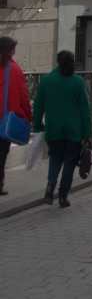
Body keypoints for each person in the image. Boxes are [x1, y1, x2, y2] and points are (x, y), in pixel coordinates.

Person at [33, 50, 92, 209]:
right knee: (70, 162)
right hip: (74, 130)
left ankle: (50, 186)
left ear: (57, 62)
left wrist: (38, 125)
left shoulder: (46, 80)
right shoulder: (77, 81)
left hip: (53, 128)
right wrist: (88, 133)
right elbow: (85, 110)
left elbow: (38, 106)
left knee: (55, 158)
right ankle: (63, 196)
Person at [0, 36, 32, 197]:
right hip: (4, 119)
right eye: (13, 48)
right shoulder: (14, 69)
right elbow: (23, 96)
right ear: (9, 50)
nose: (15, 51)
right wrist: (28, 115)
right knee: (1, 152)